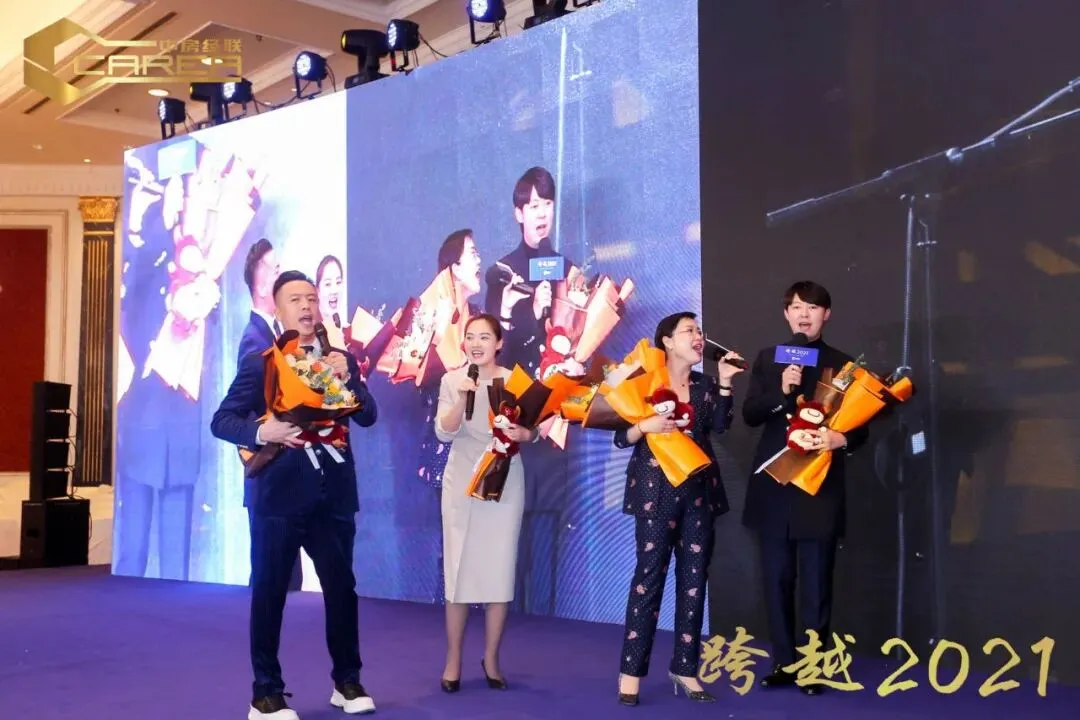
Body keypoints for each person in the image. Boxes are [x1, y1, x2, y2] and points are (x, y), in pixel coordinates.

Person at [210, 270, 379, 720]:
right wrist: (261, 431)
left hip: (333, 494)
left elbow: (368, 415)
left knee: (341, 588)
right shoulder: (263, 362)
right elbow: (222, 420)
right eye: (295, 300)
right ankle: (265, 692)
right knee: (270, 592)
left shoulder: (339, 359)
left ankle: (347, 681)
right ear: (278, 309)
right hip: (279, 496)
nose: (306, 307)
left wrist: (352, 379)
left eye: (311, 299)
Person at [741, 281, 869, 696]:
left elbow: (861, 427)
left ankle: (813, 666)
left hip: (819, 485)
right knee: (776, 579)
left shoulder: (843, 365)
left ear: (826, 314)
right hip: (774, 485)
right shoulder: (769, 358)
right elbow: (751, 414)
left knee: (816, 582)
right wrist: (782, 392)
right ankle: (783, 661)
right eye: (796, 307)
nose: (803, 314)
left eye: (812, 308)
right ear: (786, 314)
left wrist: (839, 439)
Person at [614, 312, 744, 706]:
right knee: (648, 579)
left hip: (698, 492)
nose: (698, 336)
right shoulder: (642, 381)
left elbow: (720, 426)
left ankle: (685, 669)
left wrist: (725, 382)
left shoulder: (705, 384)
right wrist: (644, 427)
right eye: (689, 330)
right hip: (654, 492)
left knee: (693, 580)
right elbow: (620, 437)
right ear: (668, 341)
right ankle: (630, 673)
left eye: (699, 331)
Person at [433, 313, 537, 693]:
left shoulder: (516, 381)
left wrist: (525, 434)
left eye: (484, 337)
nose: (476, 344)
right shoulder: (451, 380)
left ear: (499, 343)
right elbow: (443, 432)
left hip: (504, 480)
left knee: (499, 568)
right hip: (462, 480)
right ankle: (453, 660)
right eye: (470, 337)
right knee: (458, 571)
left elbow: (536, 428)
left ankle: (491, 658)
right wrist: (463, 397)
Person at [237, 238, 281, 368]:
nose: (283, 277)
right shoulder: (253, 343)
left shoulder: (279, 327)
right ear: (262, 289)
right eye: (277, 272)